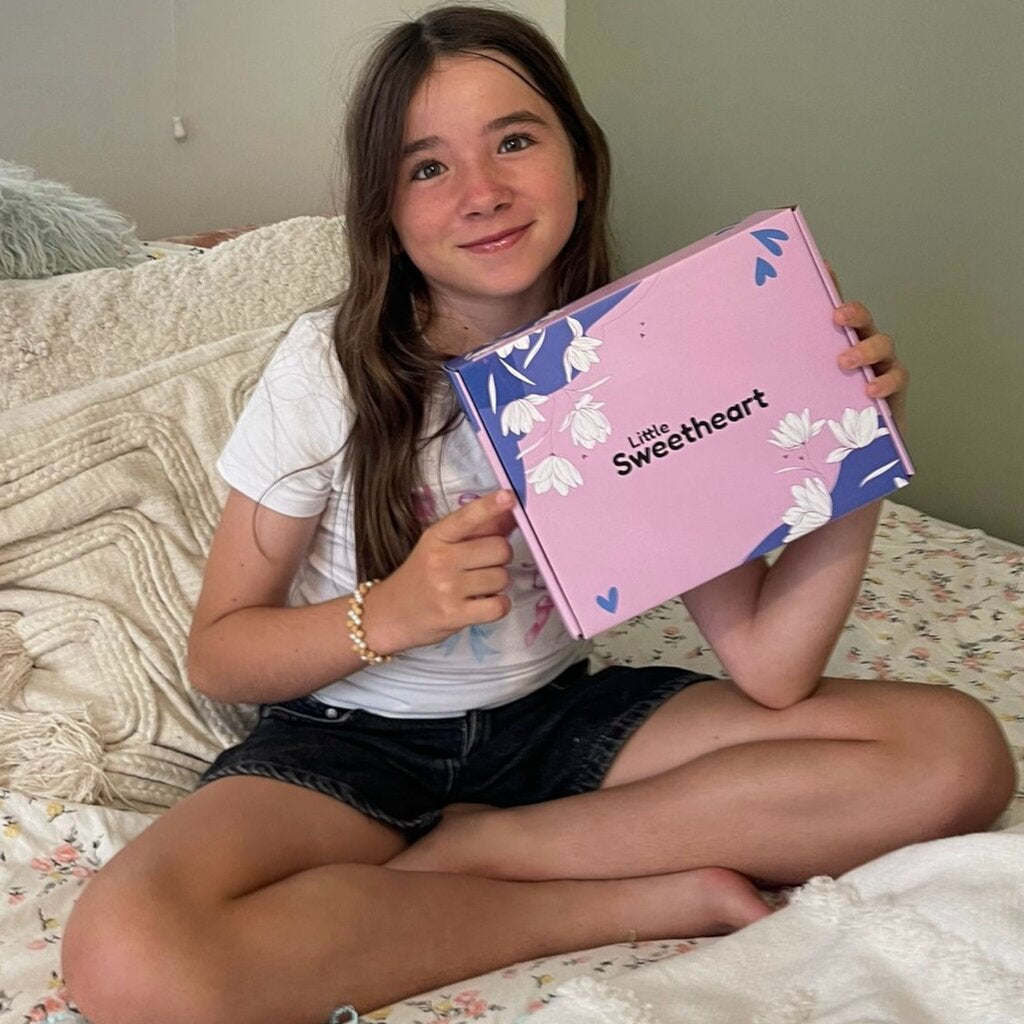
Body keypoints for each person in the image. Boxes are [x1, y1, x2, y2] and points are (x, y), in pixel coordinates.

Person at [62, 6, 1016, 1023]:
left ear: (578, 161)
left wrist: (853, 456)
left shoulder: (637, 361)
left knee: (956, 756)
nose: (482, 192)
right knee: (130, 955)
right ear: (384, 209)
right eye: (428, 167)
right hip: (353, 739)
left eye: (514, 139)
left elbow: (771, 668)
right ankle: (595, 900)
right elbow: (219, 653)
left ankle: (496, 846)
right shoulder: (325, 374)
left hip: (558, 723)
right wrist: (389, 614)